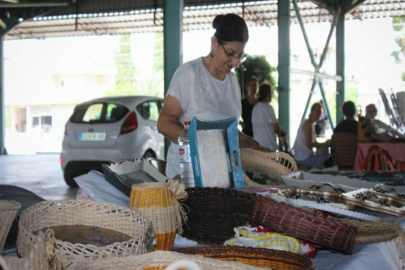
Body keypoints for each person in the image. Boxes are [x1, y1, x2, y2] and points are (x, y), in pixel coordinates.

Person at [157, 13, 261, 179]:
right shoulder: (189, 74)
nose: (235, 63)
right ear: (214, 43)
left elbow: (228, 133)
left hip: (220, 180)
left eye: (240, 56)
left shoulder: (232, 82)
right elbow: (164, 123)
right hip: (186, 180)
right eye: (230, 53)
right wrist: (200, 143)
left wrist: (250, 143)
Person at [293, 103, 331, 169]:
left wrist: (324, 144)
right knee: (329, 160)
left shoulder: (311, 124)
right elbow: (310, 145)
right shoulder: (308, 124)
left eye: (320, 112)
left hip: (303, 156)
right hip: (303, 157)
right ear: (311, 111)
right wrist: (325, 144)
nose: (318, 115)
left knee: (325, 156)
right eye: (317, 112)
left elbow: (313, 143)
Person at [252, 83, 287, 151]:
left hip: (257, 145)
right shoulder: (267, 108)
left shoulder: (255, 108)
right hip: (268, 145)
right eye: (271, 92)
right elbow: (276, 128)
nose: (271, 95)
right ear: (267, 94)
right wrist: (284, 137)